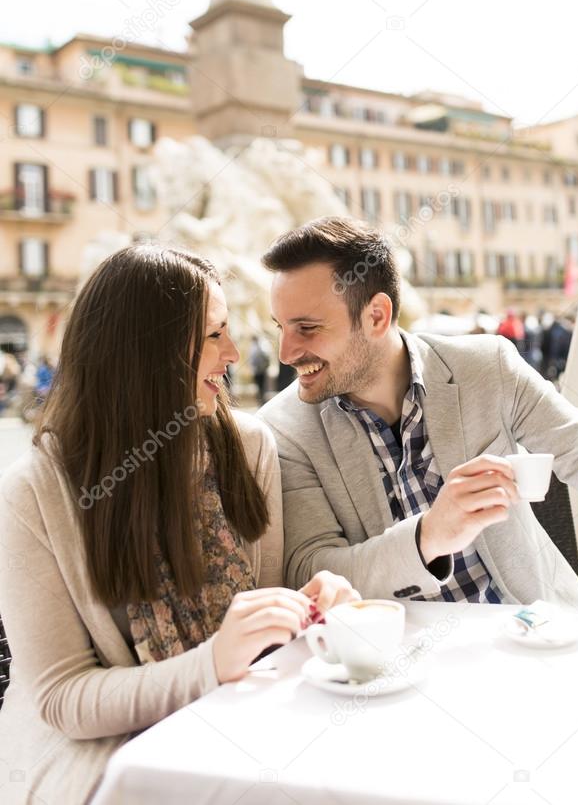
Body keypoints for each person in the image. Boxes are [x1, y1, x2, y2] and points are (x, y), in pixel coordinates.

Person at [0, 245, 355, 805]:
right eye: (214, 335)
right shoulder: (35, 492)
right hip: (94, 751)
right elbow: (63, 698)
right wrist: (210, 665)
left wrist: (302, 610)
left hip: (234, 711)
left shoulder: (250, 445)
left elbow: (258, 611)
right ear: (146, 351)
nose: (234, 354)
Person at [258, 216, 578, 608]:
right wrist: (429, 536)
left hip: (540, 636)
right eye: (281, 327)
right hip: (402, 664)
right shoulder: (284, 427)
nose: (286, 352)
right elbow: (309, 571)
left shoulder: (488, 366)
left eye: (307, 328)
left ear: (376, 316)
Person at [248, 334, 271, 406]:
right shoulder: (255, 347)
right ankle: (261, 400)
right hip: (258, 370)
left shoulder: (259, 348)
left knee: (261, 386)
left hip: (260, 370)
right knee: (260, 386)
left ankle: (262, 400)